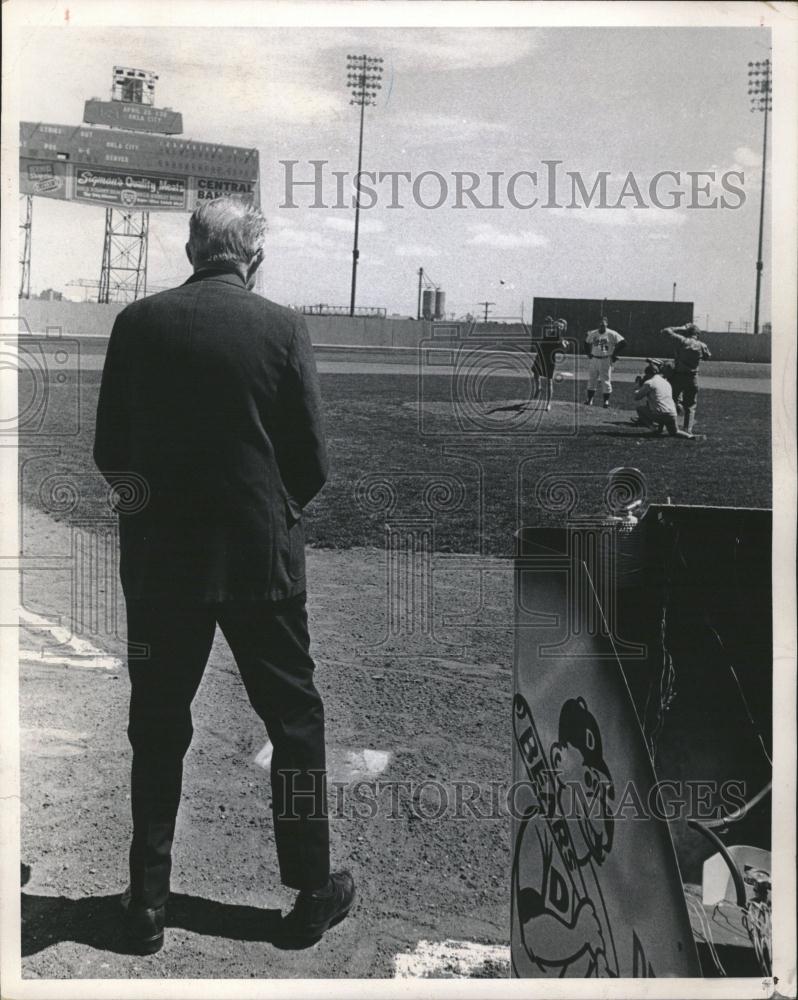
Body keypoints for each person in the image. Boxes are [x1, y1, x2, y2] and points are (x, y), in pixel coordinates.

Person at [94, 196, 354, 955]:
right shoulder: (281, 327)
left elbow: (112, 449)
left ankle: (146, 901)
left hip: (161, 564)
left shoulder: (137, 323)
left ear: (190, 250)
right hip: (258, 563)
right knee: (294, 722)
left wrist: (157, 515)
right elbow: (311, 460)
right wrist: (270, 512)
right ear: (253, 255)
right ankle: (310, 892)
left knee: (158, 724)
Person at [660, 322, 712, 434]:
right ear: (697, 334)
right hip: (692, 377)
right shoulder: (702, 345)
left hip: (678, 376)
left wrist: (681, 328)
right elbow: (707, 356)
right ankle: (688, 430)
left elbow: (665, 331)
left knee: (670, 401)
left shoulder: (681, 340)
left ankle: (665, 427)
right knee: (690, 406)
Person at [632, 362, 694, 438]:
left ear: (648, 374)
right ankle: (690, 436)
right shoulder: (666, 382)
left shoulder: (649, 382)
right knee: (675, 432)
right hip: (672, 414)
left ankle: (653, 428)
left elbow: (637, 397)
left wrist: (637, 385)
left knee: (640, 409)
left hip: (660, 414)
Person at [584, 317, 625, 407]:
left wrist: (614, 354)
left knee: (606, 380)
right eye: (600, 324)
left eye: (603, 324)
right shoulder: (593, 333)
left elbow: (623, 342)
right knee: (592, 379)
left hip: (605, 359)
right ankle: (589, 400)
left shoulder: (611, 333)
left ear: (607, 324)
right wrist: (588, 353)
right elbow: (586, 342)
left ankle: (606, 401)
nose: (602, 326)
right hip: (594, 359)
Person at [532, 317, 569, 411]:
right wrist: (550, 323)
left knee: (549, 381)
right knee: (535, 374)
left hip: (550, 359)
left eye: (561, 326)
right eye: (558, 325)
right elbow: (548, 329)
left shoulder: (560, 338)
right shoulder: (550, 332)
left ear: (563, 328)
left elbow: (563, 348)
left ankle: (548, 403)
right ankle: (538, 388)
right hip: (541, 354)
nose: (558, 327)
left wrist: (564, 344)